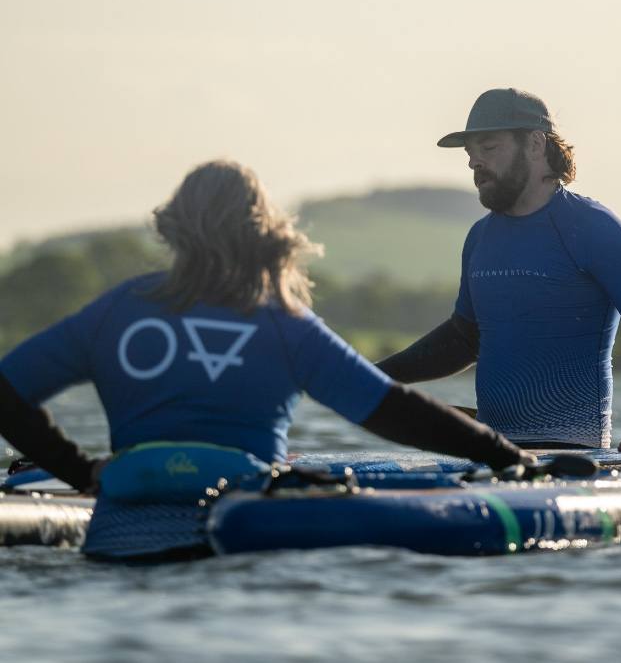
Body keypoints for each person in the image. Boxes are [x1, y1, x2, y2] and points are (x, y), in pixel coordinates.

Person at [0, 160, 531, 556]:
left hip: (117, 539)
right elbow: (393, 410)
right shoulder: (280, 321)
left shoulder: (120, 309)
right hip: (242, 540)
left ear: (175, 226)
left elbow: (6, 390)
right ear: (264, 230)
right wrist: (509, 458)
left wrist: (77, 470)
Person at [378, 88, 621, 454]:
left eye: (488, 148)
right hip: (490, 457)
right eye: (470, 153)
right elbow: (464, 339)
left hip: (572, 460)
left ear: (536, 145)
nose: (474, 162)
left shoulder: (592, 227)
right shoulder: (480, 237)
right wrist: (372, 375)